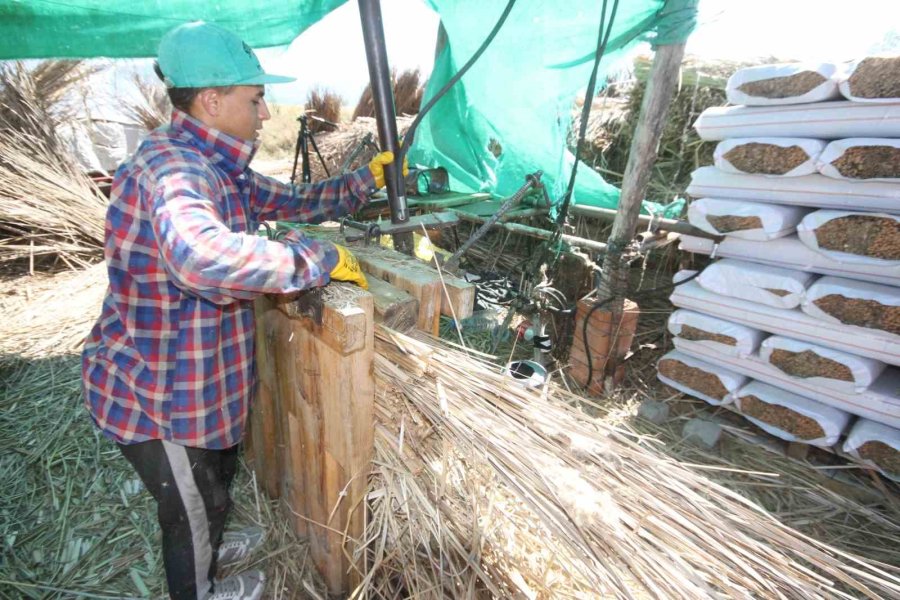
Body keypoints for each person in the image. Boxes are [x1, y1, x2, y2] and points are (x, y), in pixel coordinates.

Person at [81, 21, 403, 600]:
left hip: (193, 379)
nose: (265, 113)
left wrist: (362, 182)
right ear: (212, 101)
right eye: (255, 99)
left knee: (213, 483)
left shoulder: (218, 166)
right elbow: (201, 258)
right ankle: (199, 586)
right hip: (156, 394)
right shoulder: (174, 169)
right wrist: (317, 259)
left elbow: (292, 199)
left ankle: (212, 539)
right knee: (187, 509)